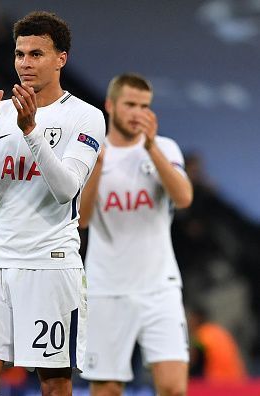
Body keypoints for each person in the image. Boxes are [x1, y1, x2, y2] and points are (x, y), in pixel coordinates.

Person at [0, 11, 105, 396]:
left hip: (51, 264)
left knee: (53, 385)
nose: (24, 63)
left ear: (61, 59)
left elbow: (66, 189)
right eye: (19, 54)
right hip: (0, 261)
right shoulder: (1, 113)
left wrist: (32, 132)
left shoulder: (86, 117)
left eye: (36, 54)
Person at [78, 73, 193, 396]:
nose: (137, 113)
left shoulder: (165, 148)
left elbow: (183, 198)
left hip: (160, 287)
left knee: (173, 388)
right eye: (130, 104)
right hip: (106, 288)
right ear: (110, 105)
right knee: (107, 389)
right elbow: (82, 220)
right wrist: (98, 165)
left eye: (144, 106)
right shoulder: (92, 153)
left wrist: (152, 148)